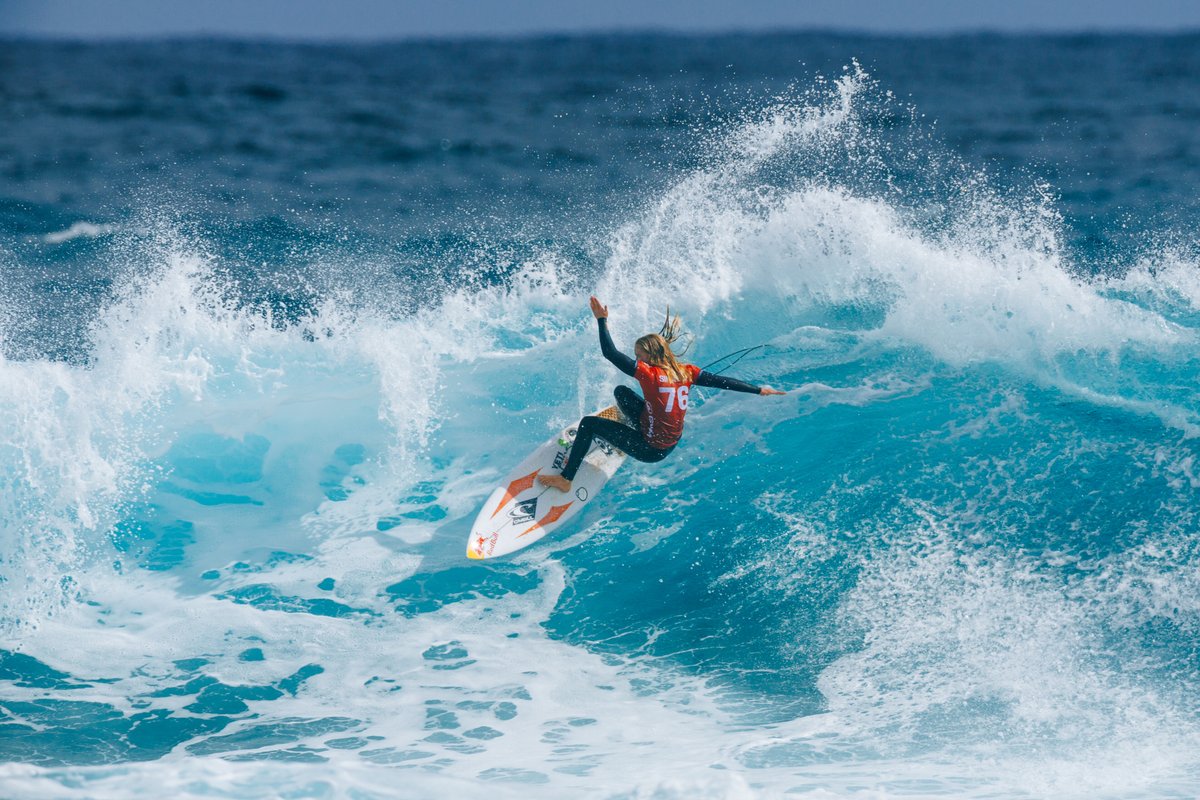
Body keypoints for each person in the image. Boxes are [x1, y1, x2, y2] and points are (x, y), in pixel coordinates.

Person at [538, 296, 785, 493]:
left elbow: (610, 353)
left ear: (650, 356)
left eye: (639, 355)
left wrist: (602, 320)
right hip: (669, 438)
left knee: (588, 424)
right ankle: (625, 430)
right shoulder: (687, 371)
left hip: (650, 448)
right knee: (621, 392)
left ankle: (565, 479)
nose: (636, 359)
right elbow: (723, 382)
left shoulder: (650, 374)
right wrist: (758, 389)